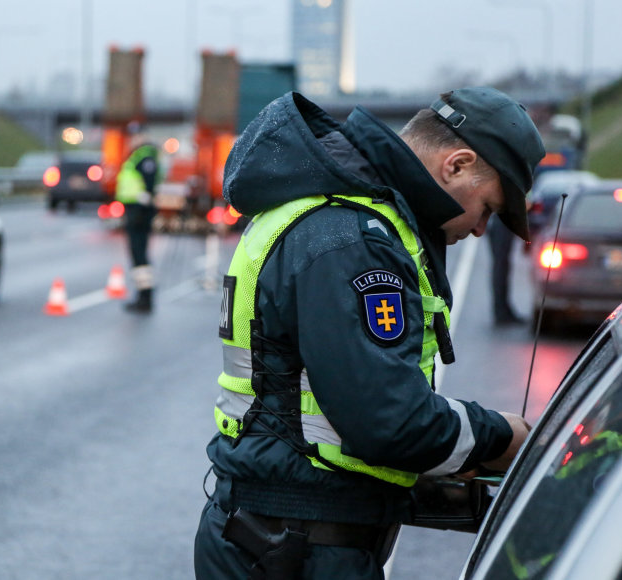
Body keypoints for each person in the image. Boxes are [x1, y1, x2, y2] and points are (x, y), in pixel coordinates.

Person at [194, 87, 543, 579]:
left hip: (280, 534)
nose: (484, 229)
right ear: (457, 165)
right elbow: (389, 423)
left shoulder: (336, 212)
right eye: (488, 207)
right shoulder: (352, 237)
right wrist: (504, 436)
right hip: (301, 545)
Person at [115, 122, 162, 313]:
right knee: (138, 254)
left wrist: (144, 200)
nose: (133, 138)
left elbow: (148, 185)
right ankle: (143, 295)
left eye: (136, 135)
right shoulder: (138, 156)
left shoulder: (145, 156)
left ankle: (145, 297)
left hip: (139, 211)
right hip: (135, 209)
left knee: (139, 253)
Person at [487, 213, 522, 325]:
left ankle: (503, 308)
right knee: (500, 266)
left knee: (503, 266)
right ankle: (501, 310)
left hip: (504, 221)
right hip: (501, 220)